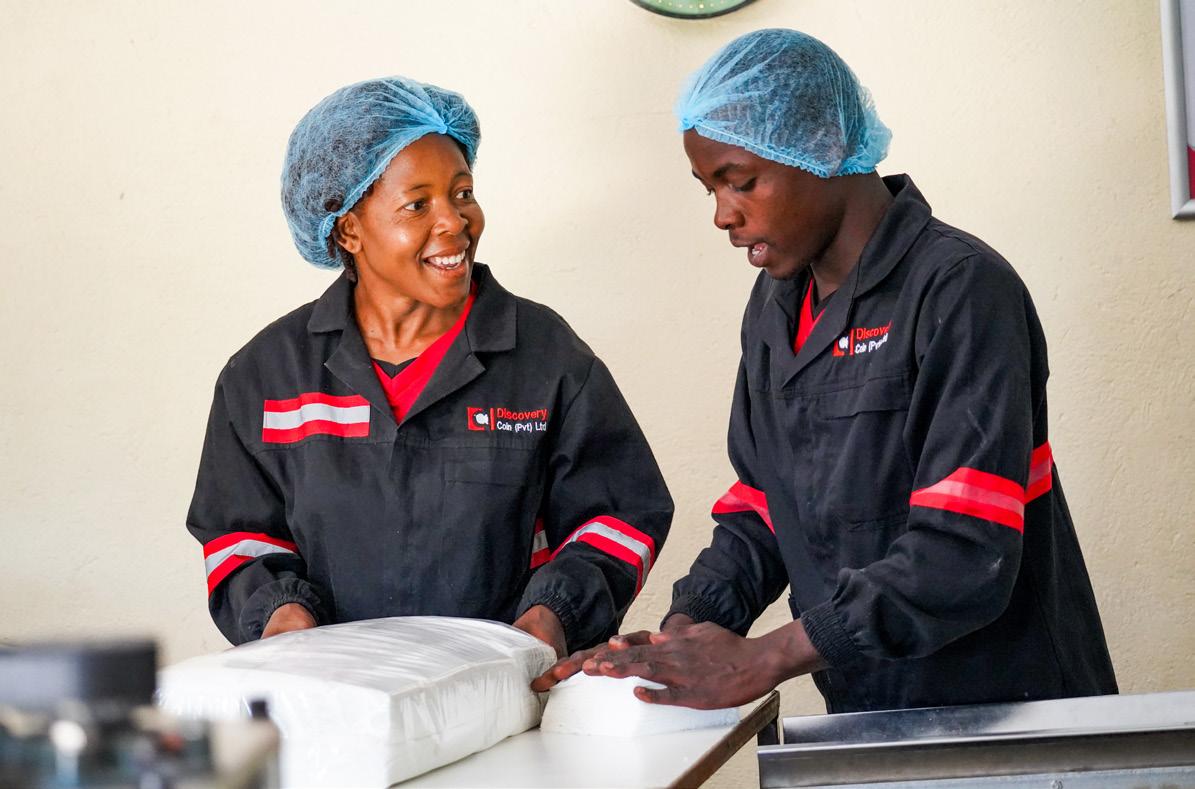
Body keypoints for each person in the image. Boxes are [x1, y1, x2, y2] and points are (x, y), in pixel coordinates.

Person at [534, 29, 1117, 712]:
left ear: (823, 147)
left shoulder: (959, 288)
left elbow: (963, 551)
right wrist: (686, 631)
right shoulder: (776, 308)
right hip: (869, 710)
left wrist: (765, 655)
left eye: (740, 181)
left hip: (1010, 711)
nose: (722, 215)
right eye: (709, 189)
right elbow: (766, 503)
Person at [186, 76, 672, 656]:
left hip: (507, 690)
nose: (455, 222)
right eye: (418, 205)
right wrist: (281, 617)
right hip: (332, 689)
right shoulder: (265, 377)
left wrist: (552, 618)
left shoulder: (547, 357)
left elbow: (619, 517)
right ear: (348, 229)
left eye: (462, 193)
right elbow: (239, 538)